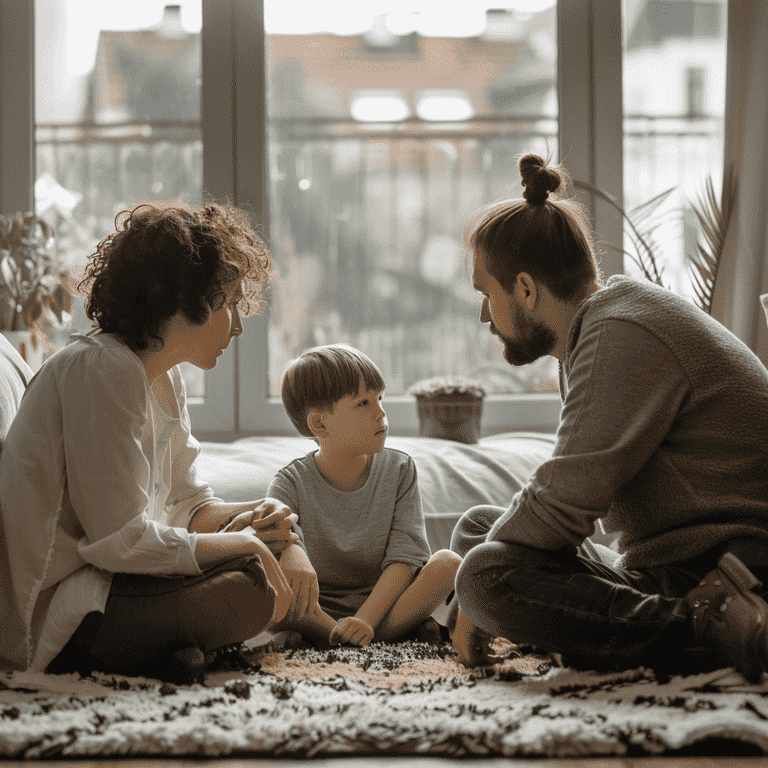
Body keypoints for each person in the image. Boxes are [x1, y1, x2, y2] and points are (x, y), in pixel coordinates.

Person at [450, 153, 768, 683]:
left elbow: (563, 506)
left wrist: (473, 596)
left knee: (484, 574)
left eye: (487, 293)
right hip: (676, 566)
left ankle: (716, 628)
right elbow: (566, 504)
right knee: (477, 533)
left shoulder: (621, 331)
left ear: (526, 290)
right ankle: (674, 629)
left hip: (735, 571)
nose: (485, 314)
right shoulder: (605, 325)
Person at [0, 201, 298, 684]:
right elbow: (118, 541)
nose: (238, 326)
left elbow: (187, 503)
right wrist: (242, 545)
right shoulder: (103, 369)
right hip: (67, 605)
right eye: (226, 305)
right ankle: (149, 649)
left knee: (265, 556)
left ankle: (167, 652)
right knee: (249, 591)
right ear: (175, 299)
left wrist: (257, 518)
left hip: (121, 583)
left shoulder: (162, 374)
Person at [266, 343, 461, 647]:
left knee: (448, 563)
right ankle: (365, 637)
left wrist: (365, 621)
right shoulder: (289, 483)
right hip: (316, 609)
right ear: (320, 423)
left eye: (379, 398)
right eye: (363, 403)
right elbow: (282, 559)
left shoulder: (399, 469)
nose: (381, 412)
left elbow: (404, 559)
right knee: (258, 579)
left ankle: (343, 640)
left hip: (383, 606)